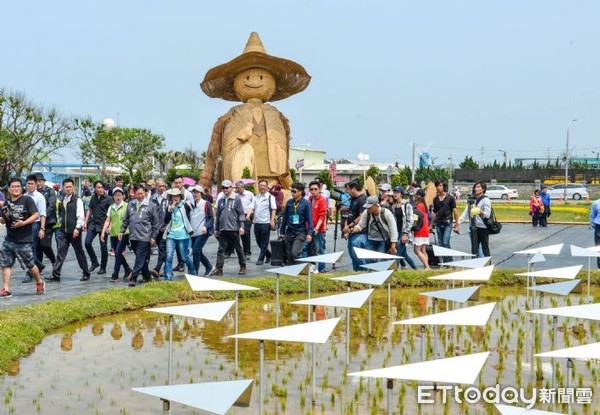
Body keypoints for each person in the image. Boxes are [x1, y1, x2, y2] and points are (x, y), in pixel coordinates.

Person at [0, 178, 45, 298]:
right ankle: (6, 289)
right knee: (5, 263)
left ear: (21, 188)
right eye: (13, 186)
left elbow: (36, 215)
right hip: (9, 239)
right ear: (9, 189)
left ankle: (39, 282)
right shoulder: (7, 203)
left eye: (18, 186)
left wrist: (24, 223)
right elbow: (4, 220)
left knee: (30, 264)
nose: (16, 188)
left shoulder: (27, 200)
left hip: (24, 240)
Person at [47, 178, 91, 282]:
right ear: (63, 188)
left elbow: (81, 216)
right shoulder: (62, 200)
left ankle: (86, 273)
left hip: (74, 231)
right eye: (66, 187)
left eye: (70, 187)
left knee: (79, 252)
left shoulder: (77, 200)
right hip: (63, 231)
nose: (68, 189)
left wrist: (77, 228)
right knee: (60, 252)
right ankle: (56, 274)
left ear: (73, 187)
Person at [119, 185, 159, 287]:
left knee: (139, 258)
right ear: (134, 194)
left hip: (144, 237)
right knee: (141, 258)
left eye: (141, 193)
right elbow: (126, 220)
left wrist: (153, 237)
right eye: (138, 194)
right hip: (133, 237)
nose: (140, 195)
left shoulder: (150, 205)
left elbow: (155, 223)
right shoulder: (131, 204)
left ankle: (133, 278)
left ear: (145, 193)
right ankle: (147, 277)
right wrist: (122, 231)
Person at [210, 180, 246, 276]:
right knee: (221, 249)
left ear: (231, 188)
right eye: (223, 188)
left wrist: (241, 226)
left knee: (238, 248)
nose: (225, 189)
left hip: (233, 228)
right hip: (223, 228)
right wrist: (216, 228)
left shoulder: (236, 199)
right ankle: (219, 269)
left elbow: (241, 213)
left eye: (227, 187)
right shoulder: (221, 200)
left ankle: (242, 266)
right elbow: (218, 215)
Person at [163, 188, 196, 281]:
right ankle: (168, 277)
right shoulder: (169, 207)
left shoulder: (185, 205)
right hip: (171, 235)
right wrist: (170, 210)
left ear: (180, 197)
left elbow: (193, 209)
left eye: (177, 196)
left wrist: (185, 201)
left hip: (183, 235)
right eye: (173, 196)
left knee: (184, 257)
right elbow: (165, 220)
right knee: (169, 256)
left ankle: (192, 272)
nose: (175, 198)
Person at [100, 187, 132, 282]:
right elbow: (107, 220)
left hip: (124, 234)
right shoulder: (111, 207)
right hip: (113, 234)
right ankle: (127, 269)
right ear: (113, 197)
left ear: (123, 196)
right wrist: (103, 232)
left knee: (118, 253)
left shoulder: (127, 206)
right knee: (118, 254)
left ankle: (115, 274)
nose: (118, 197)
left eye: (119, 195)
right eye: (116, 195)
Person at [280, 182, 313, 264]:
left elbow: (310, 219)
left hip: (300, 232)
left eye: (294, 191)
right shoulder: (289, 203)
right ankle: (291, 273)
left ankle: (301, 270)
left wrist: (309, 233)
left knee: (295, 253)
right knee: (289, 255)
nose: (292, 193)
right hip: (289, 231)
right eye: (291, 191)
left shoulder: (306, 203)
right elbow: (285, 218)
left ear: (300, 192)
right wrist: (282, 231)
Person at [84, 180, 113, 274]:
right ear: (95, 189)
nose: (100, 189)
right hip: (93, 224)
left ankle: (103, 267)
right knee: (87, 243)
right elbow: (90, 209)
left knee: (103, 247)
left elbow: (112, 214)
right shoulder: (93, 198)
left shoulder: (109, 199)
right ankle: (94, 261)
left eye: (101, 187)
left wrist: (110, 226)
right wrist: (85, 222)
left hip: (103, 226)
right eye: (98, 187)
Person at [22, 174, 47, 283]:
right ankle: (39, 265)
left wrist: (42, 228)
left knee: (32, 249)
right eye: (28, 184)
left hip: (35, 225)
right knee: (25, 249)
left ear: (36, 185)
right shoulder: (24, 196)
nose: (30, 186)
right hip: (24, 225)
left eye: (32, 184)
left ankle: (30, 272)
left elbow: (42, 213)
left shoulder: (39, 197)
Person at [429, 180, 459, 263]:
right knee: (441, 244)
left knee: (445, 242)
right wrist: (431, 225)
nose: (438, 187)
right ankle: (447, 262)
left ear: (443, 187)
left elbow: (455, 211)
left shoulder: (450, 198)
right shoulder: (435, 199)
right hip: (438, 223)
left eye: (440, 185)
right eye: (437, 186)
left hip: (448, 223)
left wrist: (457, 225)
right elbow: (434, 213)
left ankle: (449, 262)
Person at [34, 172, 57, 273]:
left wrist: (42, 216)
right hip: (35, 223)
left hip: (48, 222)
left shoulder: (50, 191)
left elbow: (51, 206)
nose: (38, 183)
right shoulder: (33, 193)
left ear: (43, 181)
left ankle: (54, 261)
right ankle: (38, 268)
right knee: (37, 246)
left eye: (40, 181)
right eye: (36, 181)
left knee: (45, 245)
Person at [342, 181, 368, 271]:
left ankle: (364, 276)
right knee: (353, 256)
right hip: (351, 233)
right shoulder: (353, 199)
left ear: (353, 189)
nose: (347, 192)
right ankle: (356, 274)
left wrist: (349, 226)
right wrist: (346, 230)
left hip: (360, 233)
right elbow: (349, 214)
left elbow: (362, 216)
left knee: (359, 257)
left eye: (348, 189)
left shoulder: (363, 199)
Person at [250, 179, 277, 265]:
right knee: (258, 241)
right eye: (260, 185)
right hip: (257, 222)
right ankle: (269, 255)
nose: (262, 187)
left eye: (263, 185)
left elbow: (273, 209)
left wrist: (272, 220)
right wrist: (248, 215)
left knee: (264, 242)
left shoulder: (270, 197)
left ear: (266, 187)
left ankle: (260, 259)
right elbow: (251, 207)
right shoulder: (256, 197)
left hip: (266, 222)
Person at [391, 186, 418, 269]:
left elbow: (410, 220)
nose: (395, 194)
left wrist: (405, 233)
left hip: (404, 233)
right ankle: (416, 270)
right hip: (397, 233)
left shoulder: (407, 205)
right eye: (394, 192)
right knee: (404, 254)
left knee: (397, 254)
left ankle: (393, 273)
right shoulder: (394, 206)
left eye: (397, 192)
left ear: (401, 194)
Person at [189, 185, 214, 276]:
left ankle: (195, 272)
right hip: (193, 233)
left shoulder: (206, 204)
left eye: (197, 192)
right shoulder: (190, 204)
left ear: (201, 193)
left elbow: (211, 218)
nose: (195, 194)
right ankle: (209, 267)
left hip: (202, 232)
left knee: (196, 251)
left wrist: (206, 227)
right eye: (193, 192)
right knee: (198, 251)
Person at [463, 181, 492, 258]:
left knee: (485, 248)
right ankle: (475, 266)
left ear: (483, 189)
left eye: (478, 187)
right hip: (473, 227)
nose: (476, 189)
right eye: (475, 187)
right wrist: (458, 222)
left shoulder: (486, 200)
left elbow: (487, 215)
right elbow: (466, 212)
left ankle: (487, 265)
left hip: (483, 228)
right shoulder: (472, 200)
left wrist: (479, 210)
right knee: (474, 250)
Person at [150, 179, 169, 278]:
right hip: (155, 228)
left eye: (163, 186)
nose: (161, 188)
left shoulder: (168, 197)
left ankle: (157, 268)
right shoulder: (152, 198)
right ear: (156, 186)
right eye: (159, 186)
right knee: (162, 250)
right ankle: (166, 270)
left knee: (162, 248)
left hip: (165, 228)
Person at [308, 180, 328, 272]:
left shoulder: (322, 200)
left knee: (320, 249)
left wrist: (317, 228)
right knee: (310, 249)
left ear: (319, 189)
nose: (313, 191)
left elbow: (322, 215)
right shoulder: (310, 199)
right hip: (310, 228)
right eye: (311, 189)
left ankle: (322, 269)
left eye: (315, 189)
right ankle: (311, 268)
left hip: (318, 230)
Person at [234, 180, 254, 259]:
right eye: (236, 188)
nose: (237, 189)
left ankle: (247, 252)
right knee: (237, 233)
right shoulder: (235, 196)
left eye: (238, 188)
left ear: (243, 187)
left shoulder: (249, 194)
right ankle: (237, 251)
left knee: (246, 233)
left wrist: (251, 214)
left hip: (247, 215)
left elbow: (253, 204)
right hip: (238, 216)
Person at [412, 189, 431, 270]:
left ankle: (427, 266)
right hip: (425, 230)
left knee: (417, 250)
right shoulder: (424, 205)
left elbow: (417, 218)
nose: (414, 196)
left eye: (415, 194)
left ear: (418, 196)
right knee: (423, 250)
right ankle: (426, 266)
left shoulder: (419, 206)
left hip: (420, 230)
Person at [590, 196, 600, 268]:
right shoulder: (596, 203)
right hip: (599, 228)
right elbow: (592, 216)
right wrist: (594, 227)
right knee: (598, 249)